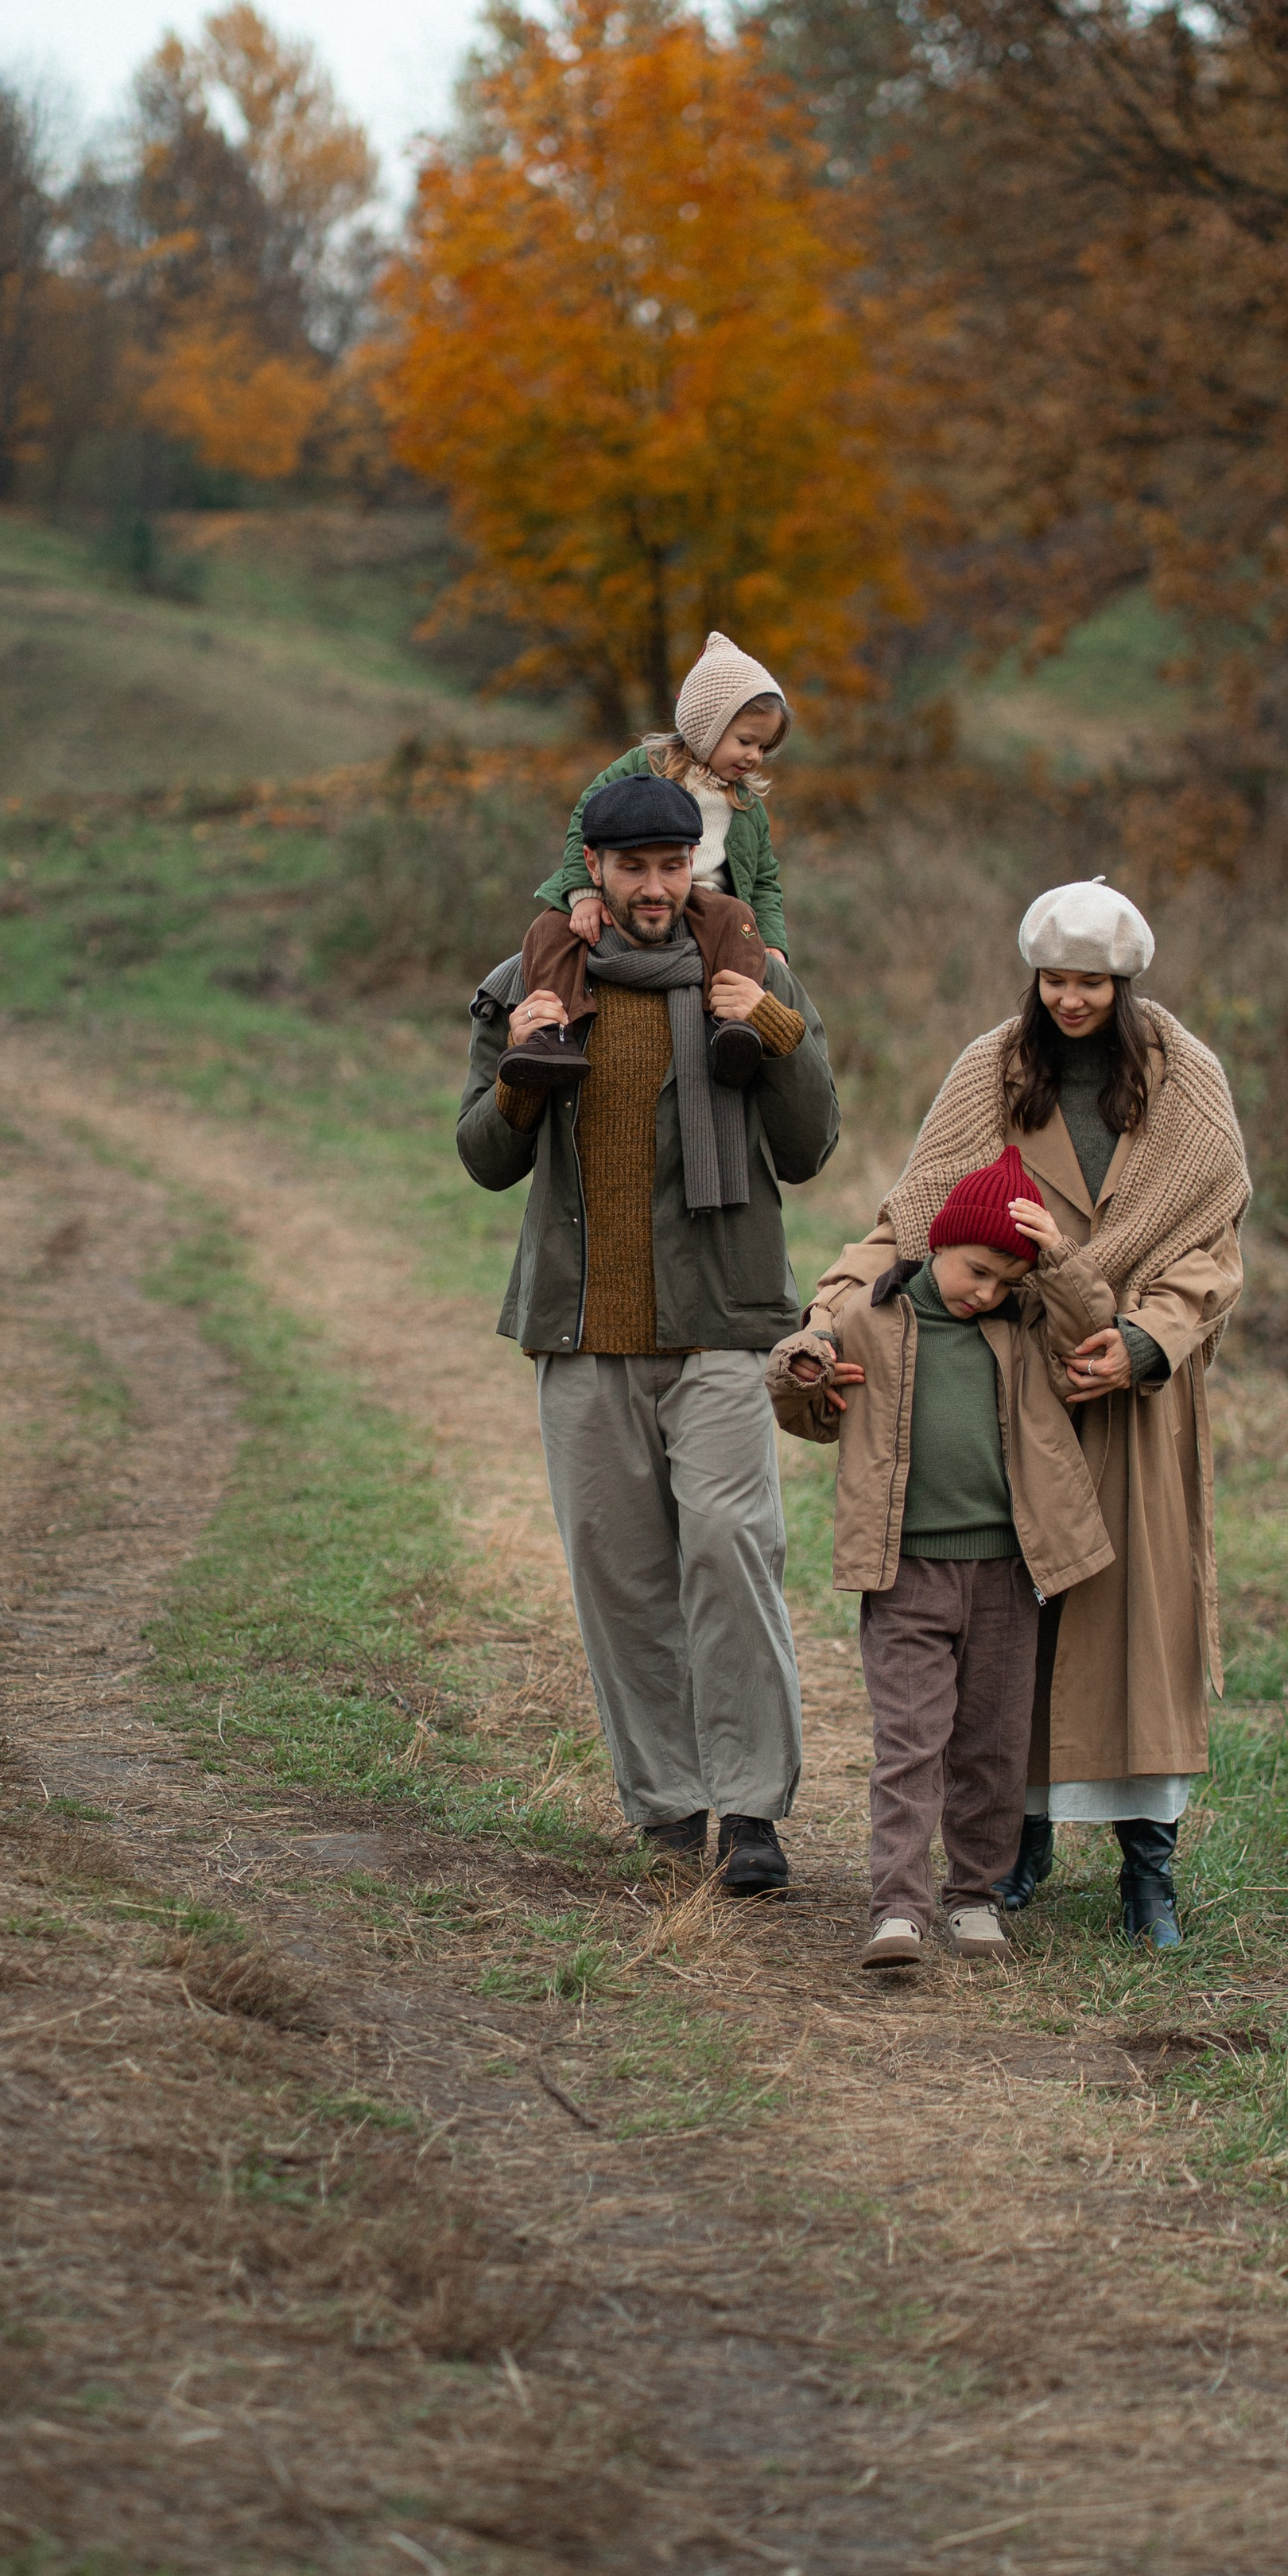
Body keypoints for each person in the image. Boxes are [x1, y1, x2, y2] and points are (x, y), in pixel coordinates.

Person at [823, 879, 1249, 1949]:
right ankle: (1014, 1851)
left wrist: (1147, 1341)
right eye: (1055, 980)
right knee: (1016, 1642)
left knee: (1137, 1637)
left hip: (1134, 1404)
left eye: (1091, 982)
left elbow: (1211, 1252)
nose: (1070, 1000)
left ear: (1125, 982)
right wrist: (833, 1311)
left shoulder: (1185, 1080)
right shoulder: (991, 1071)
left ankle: (1150, 1876)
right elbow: (916, 1220)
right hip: (1014, 1393)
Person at [456, 773, 841, 1895]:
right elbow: (484, 1159)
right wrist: (525, 1073)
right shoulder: (531, 982)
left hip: (721, 1322)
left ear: (698, 868)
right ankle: (671, 1808)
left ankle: (754, 1809)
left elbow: (811, 1142)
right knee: (620, 1577)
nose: (658, 887)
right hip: (583, 1333)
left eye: (676, 866)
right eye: (635, 868)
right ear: (597, 874)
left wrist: (769, 1027)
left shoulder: (752, 973)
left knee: (731, 1552)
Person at [766, 1146, 1114, 1971]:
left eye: (1005, 1279)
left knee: (991, 1744)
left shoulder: (1023, 1325)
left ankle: (974, 1898)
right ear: (937, 1243)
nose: (985, 1291)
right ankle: (898, 1908)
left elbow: (1091, 1320)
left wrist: (1056, 1256)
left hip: (1005, 1573)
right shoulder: (872, 1318)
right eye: (976, 1270)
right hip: (905, 1573)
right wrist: (802, 1371)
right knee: (910, 1742)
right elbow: (803, 1405)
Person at [503, 633, 792, 1100]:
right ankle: (551, 1031)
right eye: (745, 741)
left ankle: (730, 1029)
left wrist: (774, 945)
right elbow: (586, 820)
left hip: (708, 902)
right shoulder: (645, 766)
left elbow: (764, 882)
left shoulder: (745, 805)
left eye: (763, 747)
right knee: (552, 930)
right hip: (622, 893)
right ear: (706, 727)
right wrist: (585, 894)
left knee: (739, 920)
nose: (753, 756)